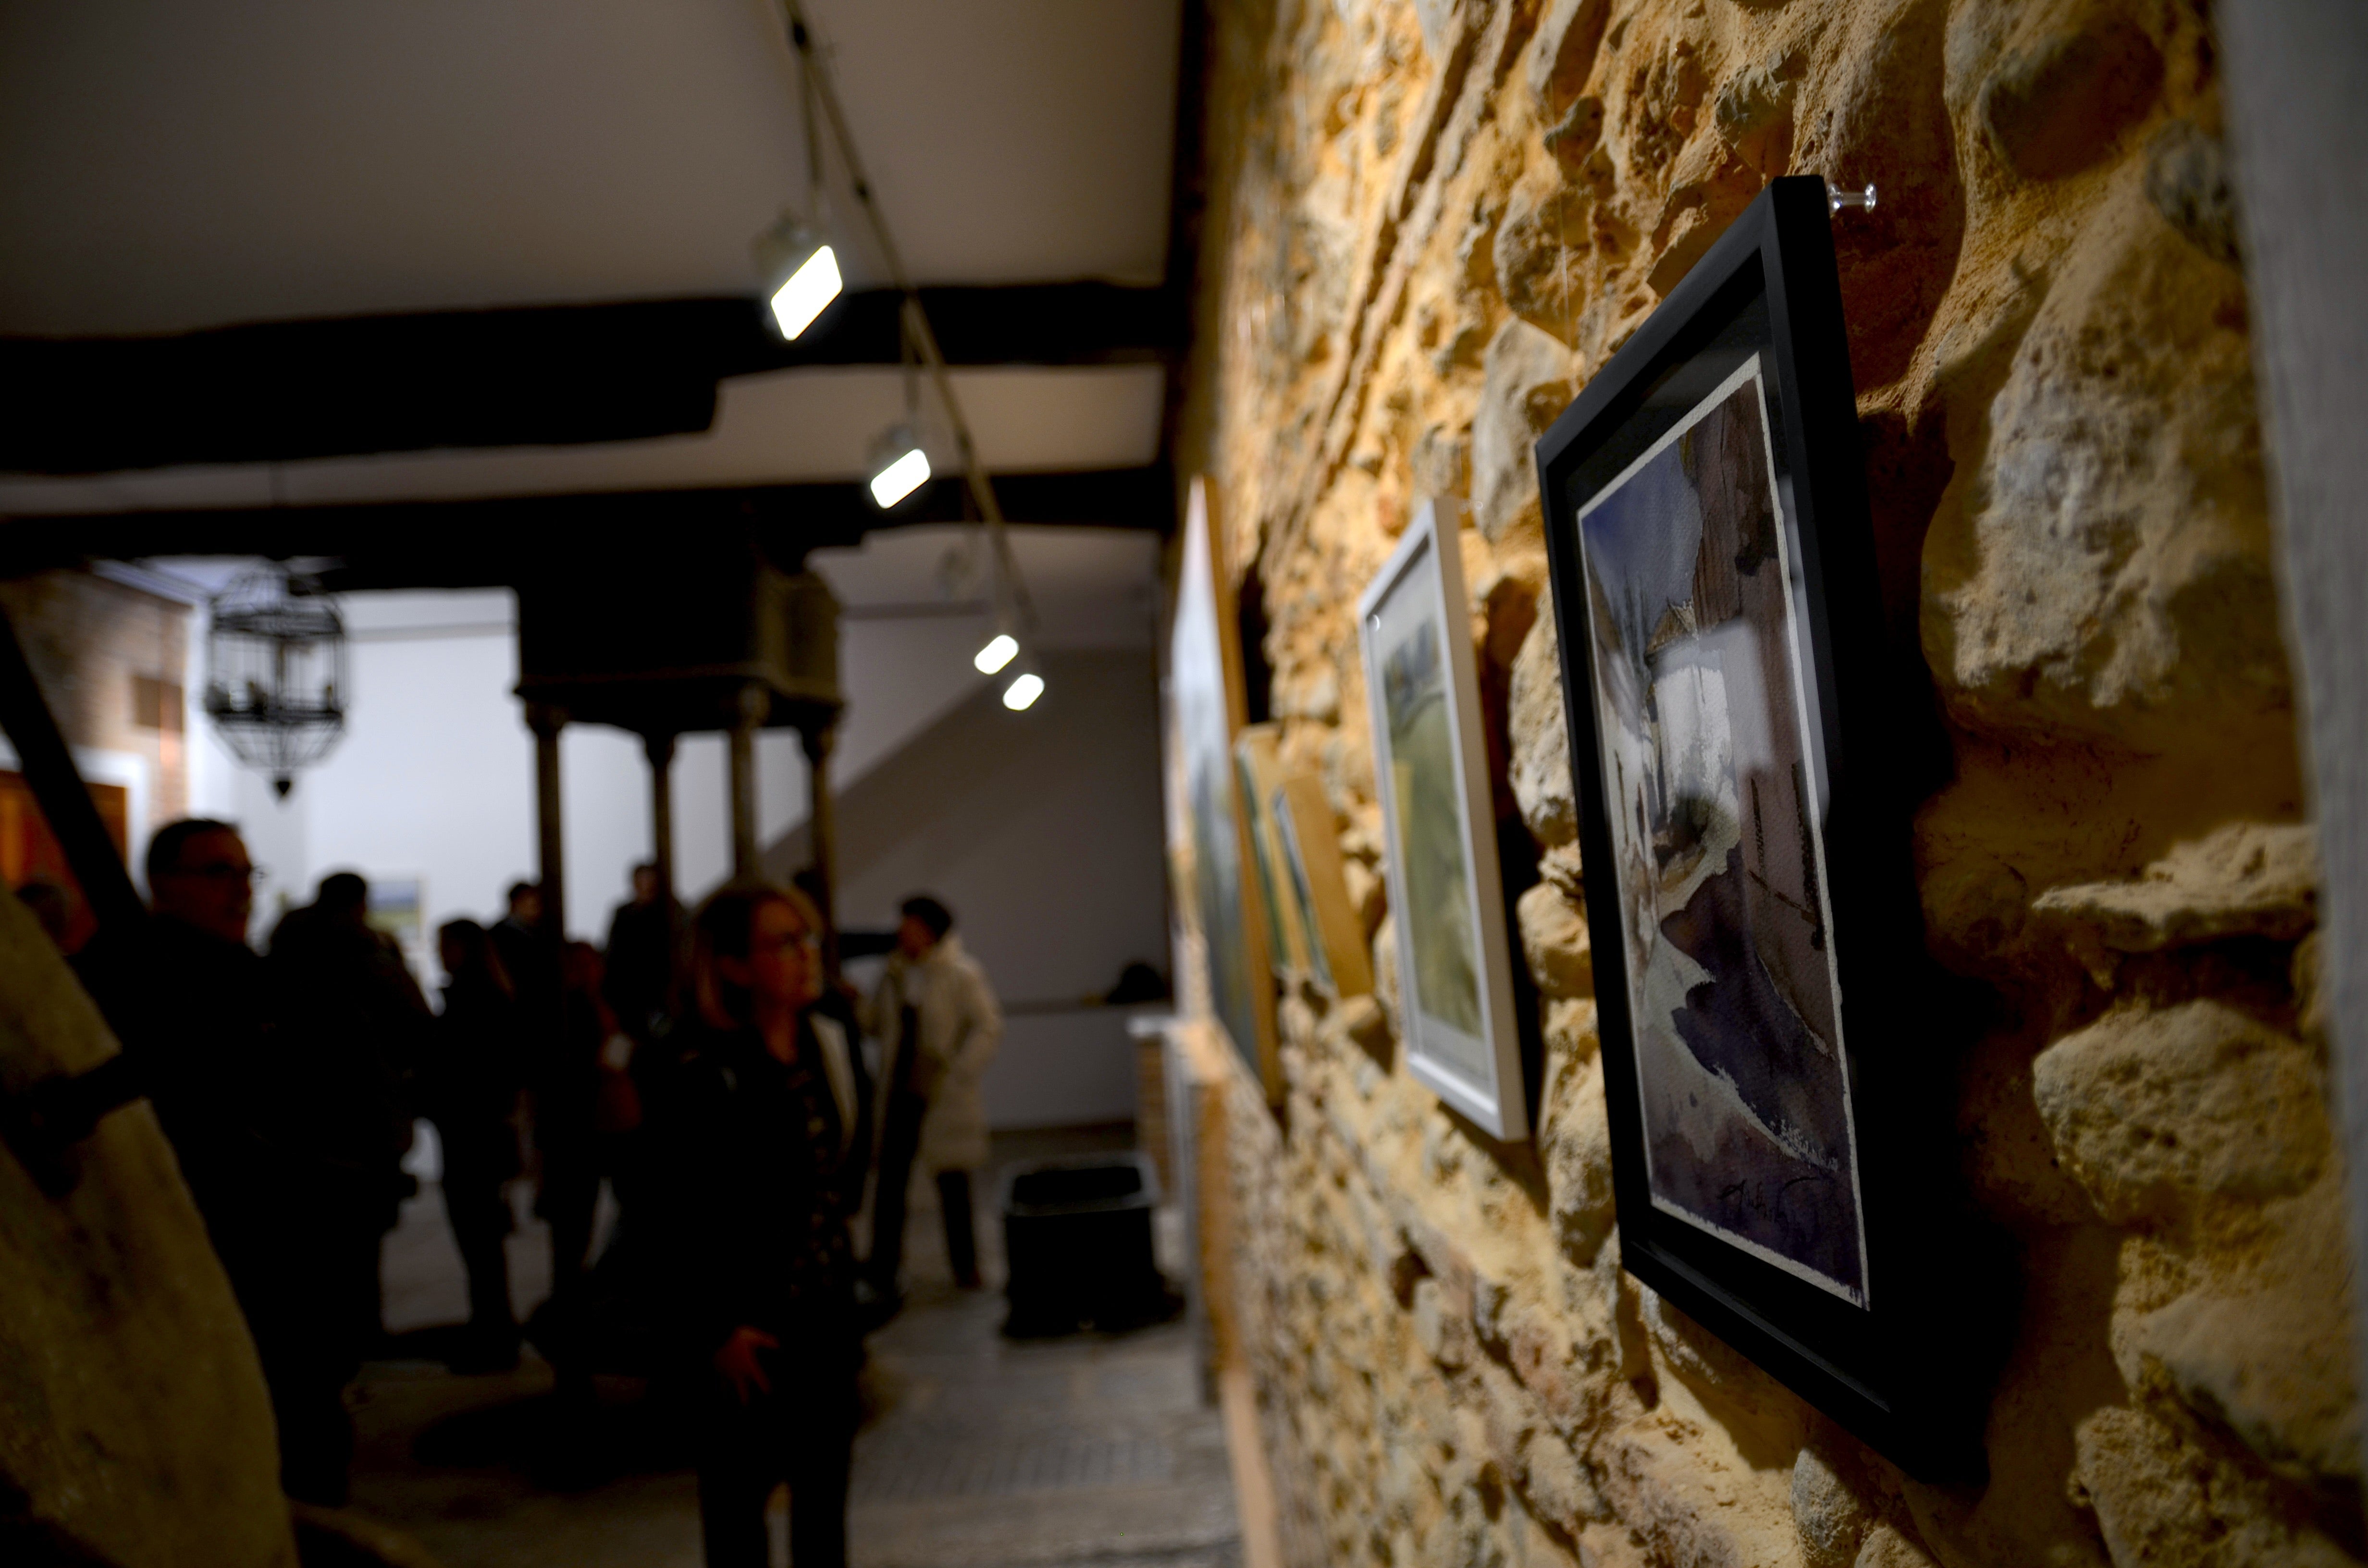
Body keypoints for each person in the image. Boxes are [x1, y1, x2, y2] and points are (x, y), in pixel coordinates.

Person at [71, 821, 358, 1504]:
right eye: (219, 872)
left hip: (276, 1218)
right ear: (163, 883)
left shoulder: (234, 969)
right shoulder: (131, 970)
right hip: (207, 1228)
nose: (240, 890)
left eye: (246, 873)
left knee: (301, 1401)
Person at [643, 882, 863, 1568]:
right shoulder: (701, 1069)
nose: (806, 956)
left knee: (824, 1516)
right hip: (749, 1334)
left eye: (808, 940)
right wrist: (715, 1328)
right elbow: (671, 1211)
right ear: (734, 967)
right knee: (739, 1522)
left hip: (826, 1319)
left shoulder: (828, 1044)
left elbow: (844, 1172)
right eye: (783, 943)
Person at [268, 871, 431, 1351]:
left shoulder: (285, 947)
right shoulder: (369, 957)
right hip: (364, 1115)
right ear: (359, 903)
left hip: (293, 1116)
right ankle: (360, 1329)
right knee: (359, 1237)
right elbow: (415, 1029)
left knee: (306, 1241)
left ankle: (323, 1332)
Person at [862, 894, 1002, 1307]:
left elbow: (987, 1026)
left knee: (954, 1183)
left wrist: (960, 1071)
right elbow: (875, 1023)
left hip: (941, 1094)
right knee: (890, 1184)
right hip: (900, 1091)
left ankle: (966, 1266)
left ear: (930, 930)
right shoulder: (894, 973)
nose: (903, 932)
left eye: (910, 925)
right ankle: (883, 1265)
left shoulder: (961, 973)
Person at [421, 918, 525, 1371]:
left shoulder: (471, 1002)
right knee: (483, 1242)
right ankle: (493, 1330)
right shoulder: (489, 998)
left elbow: (463, 1071)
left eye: (443, 945)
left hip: (470, 1135)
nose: (438, 953)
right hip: (479, 1133)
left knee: (479, 1241)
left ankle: (494, 1335)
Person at [603, 862, 678, 1045]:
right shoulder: (624, 914)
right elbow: (614, 955)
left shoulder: (670, 912)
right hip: (630, 994)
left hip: (661, 991)